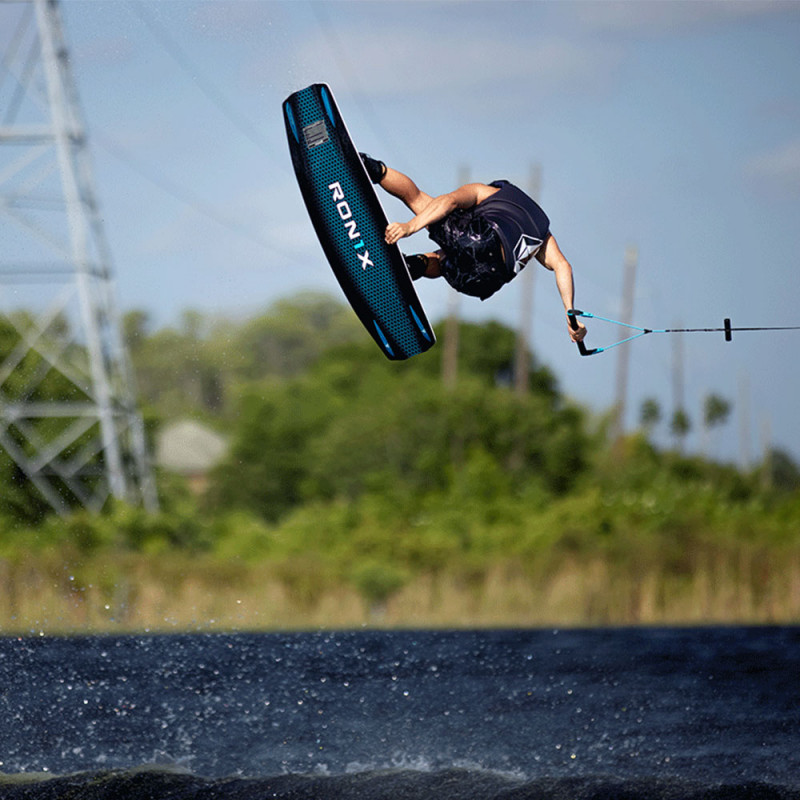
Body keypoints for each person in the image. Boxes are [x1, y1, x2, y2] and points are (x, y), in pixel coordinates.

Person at [360, 154, 587, 345]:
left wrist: (410, 226)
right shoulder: (543, 232)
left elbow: (448, 201)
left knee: (418, 199)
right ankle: (414, 266)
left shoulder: (485, 191)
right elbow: (562, 266)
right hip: (486, 282)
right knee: (449, 259)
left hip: (479, 240)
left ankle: (371, 167)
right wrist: (570, 313)